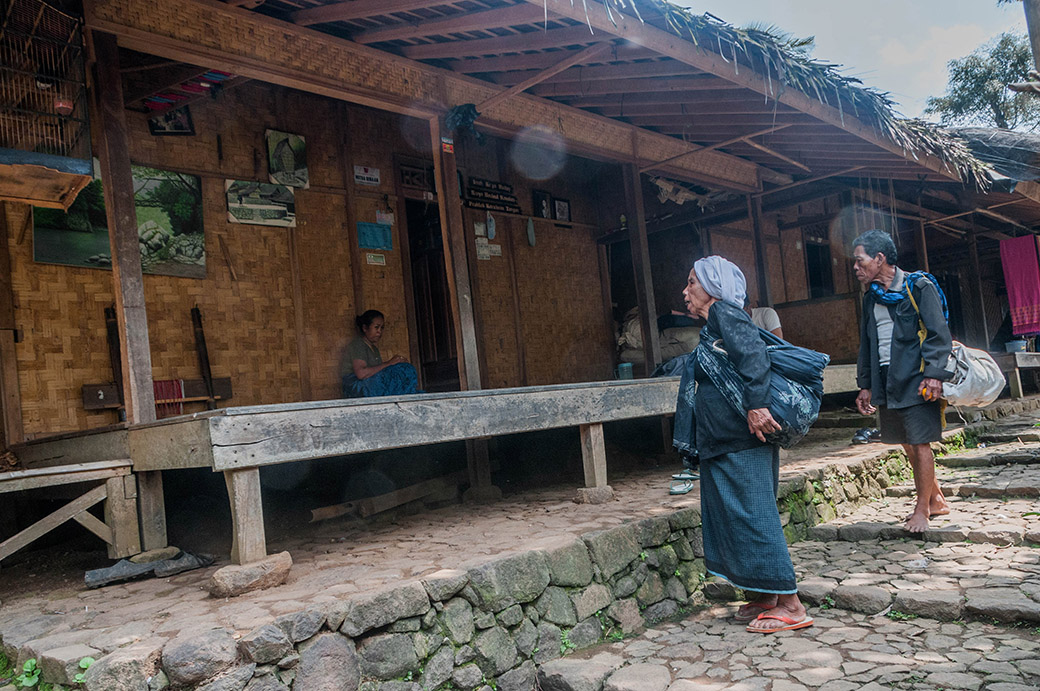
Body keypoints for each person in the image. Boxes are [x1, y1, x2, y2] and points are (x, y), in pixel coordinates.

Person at [674, 255, 812, 634]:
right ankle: (766, 596)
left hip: (740, 441)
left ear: (713, 287)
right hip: (723, 441)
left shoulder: (725, 313)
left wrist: (756, 406)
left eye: (692, 283)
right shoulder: (715, 324)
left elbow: (752, 354)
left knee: (755, 517)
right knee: (738, 519)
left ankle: (793, 606)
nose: (685, 291)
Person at [851, 230, 953, 533]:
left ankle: (922, 510)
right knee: (907, 442)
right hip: (886, 379)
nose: (855, 268)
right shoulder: (872, 297)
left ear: (879, 259)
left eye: (860, 261)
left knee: (920, 442)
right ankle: (935, 499)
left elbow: (938, 332)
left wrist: (934, 373)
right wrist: (865, 383)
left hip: (917, 376)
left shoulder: (918, 287)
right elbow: (867, 342)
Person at [341, 310, 420, 398]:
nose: (379, 331)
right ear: (365, 328)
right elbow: (361, 374)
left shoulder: (374, 348)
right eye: (376, 327)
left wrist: (397, 363)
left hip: (369, 384)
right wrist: (389, 363)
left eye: (381, 328)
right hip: (356, 388)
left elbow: (377, 370)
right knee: (396, 373)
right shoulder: (358, 345)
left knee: (403, 368)